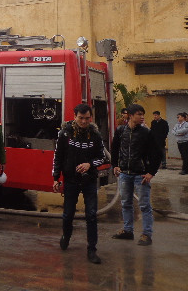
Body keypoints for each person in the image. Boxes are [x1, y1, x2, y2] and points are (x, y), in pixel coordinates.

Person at [53, 103, 106, 264]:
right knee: (68, 214)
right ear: (75, 116)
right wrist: (56, 177)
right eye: (81, 118)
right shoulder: (65, 134)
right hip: (71, 180)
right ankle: (66, 236)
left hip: (89, 181)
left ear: (91, 118)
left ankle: (92, 249)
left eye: (87, 118)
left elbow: (102, 157)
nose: (84, 121)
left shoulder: (95, 135)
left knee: (91, 215)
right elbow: (58, 156)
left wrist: (90, 164)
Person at [111, 103, 162, 246]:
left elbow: (158, 154)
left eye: (142, 114)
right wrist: (115, 165)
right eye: (139, 114)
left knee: (144, 205)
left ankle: (146, 234)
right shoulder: (121, 131)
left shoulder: (146, 133)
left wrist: (151, 172)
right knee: (126, 203)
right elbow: (114, 149)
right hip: (124, 174)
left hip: (141, 175)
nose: (142, 117)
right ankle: (128, 230)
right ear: (130, 115)